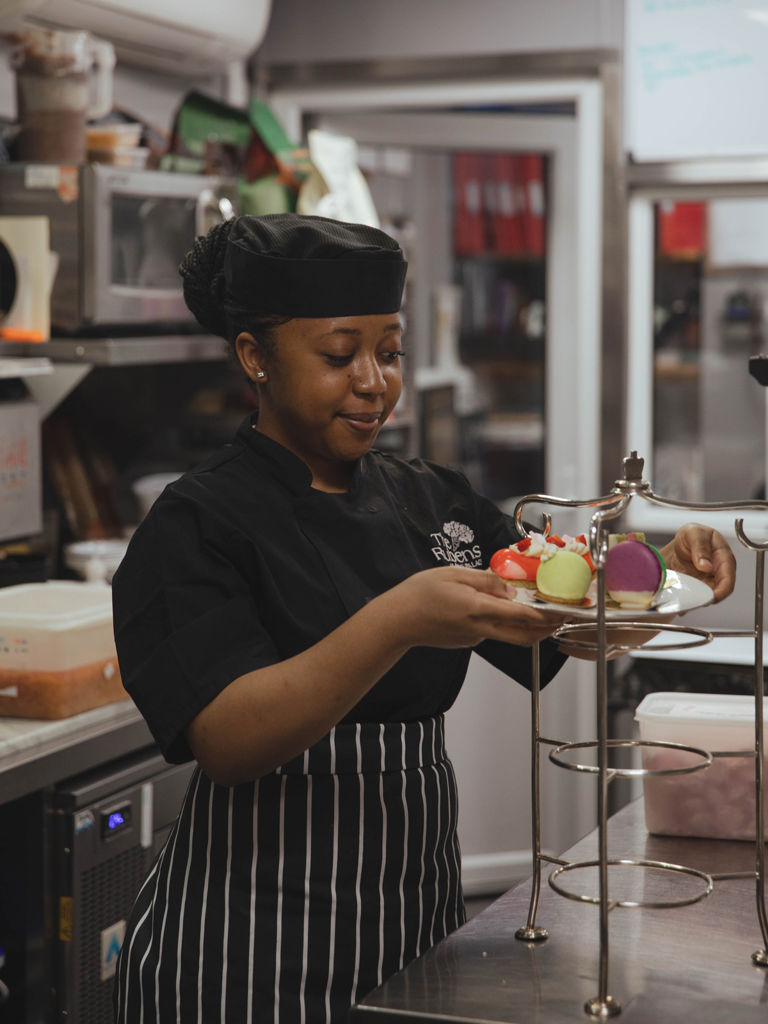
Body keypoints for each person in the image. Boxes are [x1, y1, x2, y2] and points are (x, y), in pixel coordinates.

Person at [111, 213, 736, 1024]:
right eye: (339, 355)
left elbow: (567, 624)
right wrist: (398, 619)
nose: (374, 381)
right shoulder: (198, 521)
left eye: (391, 352)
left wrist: (654, 578)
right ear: (255, 357)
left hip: (410, 918)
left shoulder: (431, 499)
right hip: (245, 947)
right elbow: (228, 744)